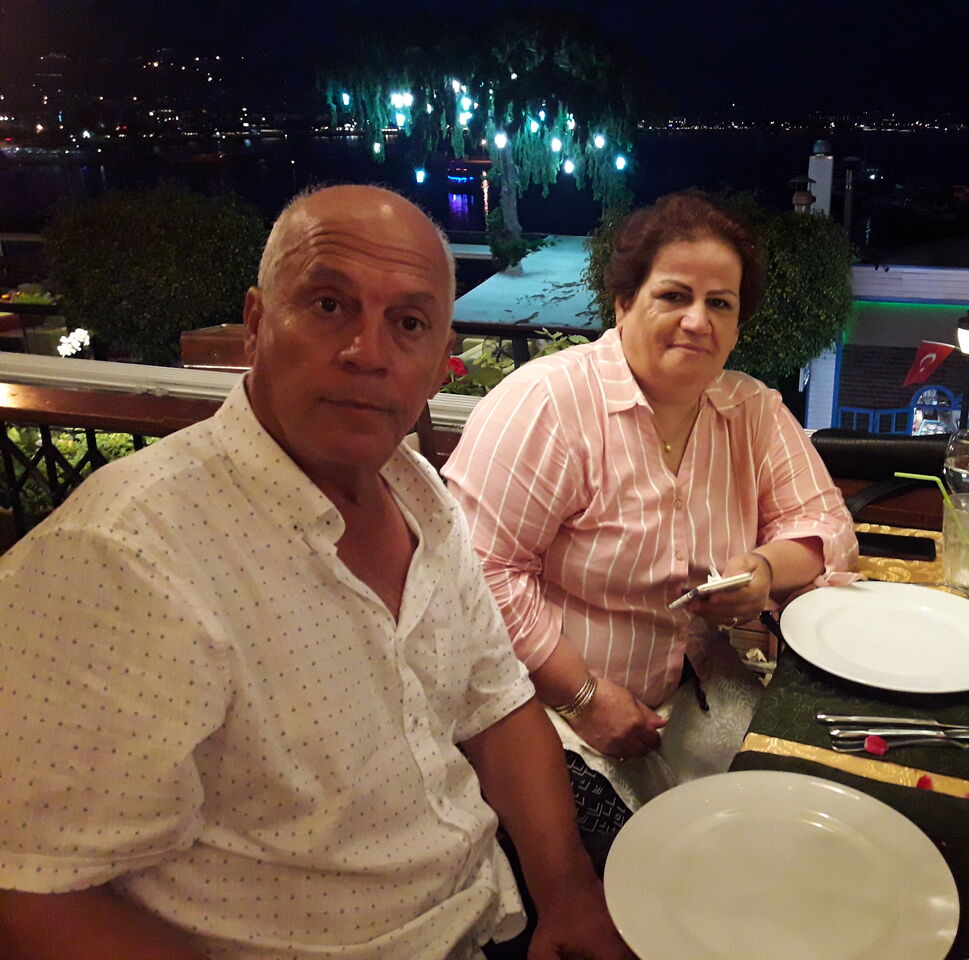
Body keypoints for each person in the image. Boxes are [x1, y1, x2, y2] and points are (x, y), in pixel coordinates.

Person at [0, 185, 631, 960]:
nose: (369, 352)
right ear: (256, 323)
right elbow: (30, 894)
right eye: (329, 305)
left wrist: (568, 898)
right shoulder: (122, 560)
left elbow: (497, 707)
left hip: (487, 911)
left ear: (440, 363)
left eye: (408, 323)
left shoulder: (419, 493)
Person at [443, 191, 857, 855]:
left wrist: (762, 570)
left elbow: (825, 525)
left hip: (693, 694)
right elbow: (479, 572)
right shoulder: (548, 403)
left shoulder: (750, 409)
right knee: (651, 870)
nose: (698, 320)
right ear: (623, 303)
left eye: (720, 303)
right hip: (544, 714)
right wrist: (583, 697)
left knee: (793, 832)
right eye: (674, 296)